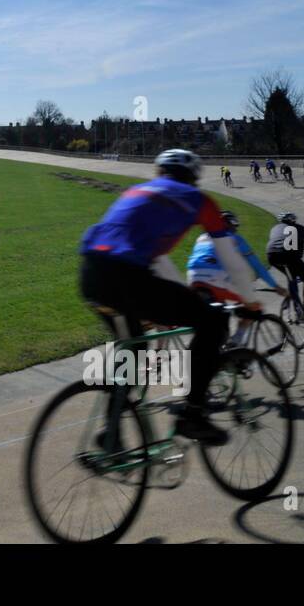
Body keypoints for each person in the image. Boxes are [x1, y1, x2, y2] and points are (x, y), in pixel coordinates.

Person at [79, 148, 266, 445]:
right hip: (127, 277)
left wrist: (182, 299)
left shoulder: (136, 192)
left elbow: (155, 260)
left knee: (134, 347)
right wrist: (251, 301)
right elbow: (231, 259)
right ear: (193, 177)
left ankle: (111, 432)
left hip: (91, 275)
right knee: (213, 323)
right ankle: (193, 414)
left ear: (160, 172)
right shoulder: (199, 200)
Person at [186, 210, 286, 346]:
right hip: (216, 277)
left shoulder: (201, 237)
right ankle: (236, 340)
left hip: (193, 277)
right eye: (235, 226)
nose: (236, 230)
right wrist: (276, 286)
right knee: (253, 306)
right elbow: (257, 266)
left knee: (219, 312)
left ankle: (220, 345)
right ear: (229, 225)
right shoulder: (235, 239)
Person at [265, 212, 304, 319]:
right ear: (293, 221)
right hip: (290, 256)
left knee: (292, 277)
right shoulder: (300, 228)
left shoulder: (274, 228)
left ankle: (296, 308)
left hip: (271, 256)